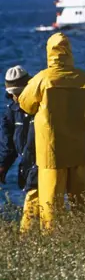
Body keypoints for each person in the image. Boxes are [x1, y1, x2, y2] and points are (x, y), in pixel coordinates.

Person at [18, 33, 85, 231]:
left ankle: (53, 240)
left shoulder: (42, 79)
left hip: (52, 152)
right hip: (81, 150)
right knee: (84, 202)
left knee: (51, 203)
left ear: (49, 52)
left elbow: (25, 104)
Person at [1, 66, 39, 233]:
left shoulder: (41, 108)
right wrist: (2, 166)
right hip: (28, 168)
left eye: (19, 92)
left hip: (43, 166)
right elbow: (8, 146)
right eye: (13, 93)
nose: (16, 97)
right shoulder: (11, 113)